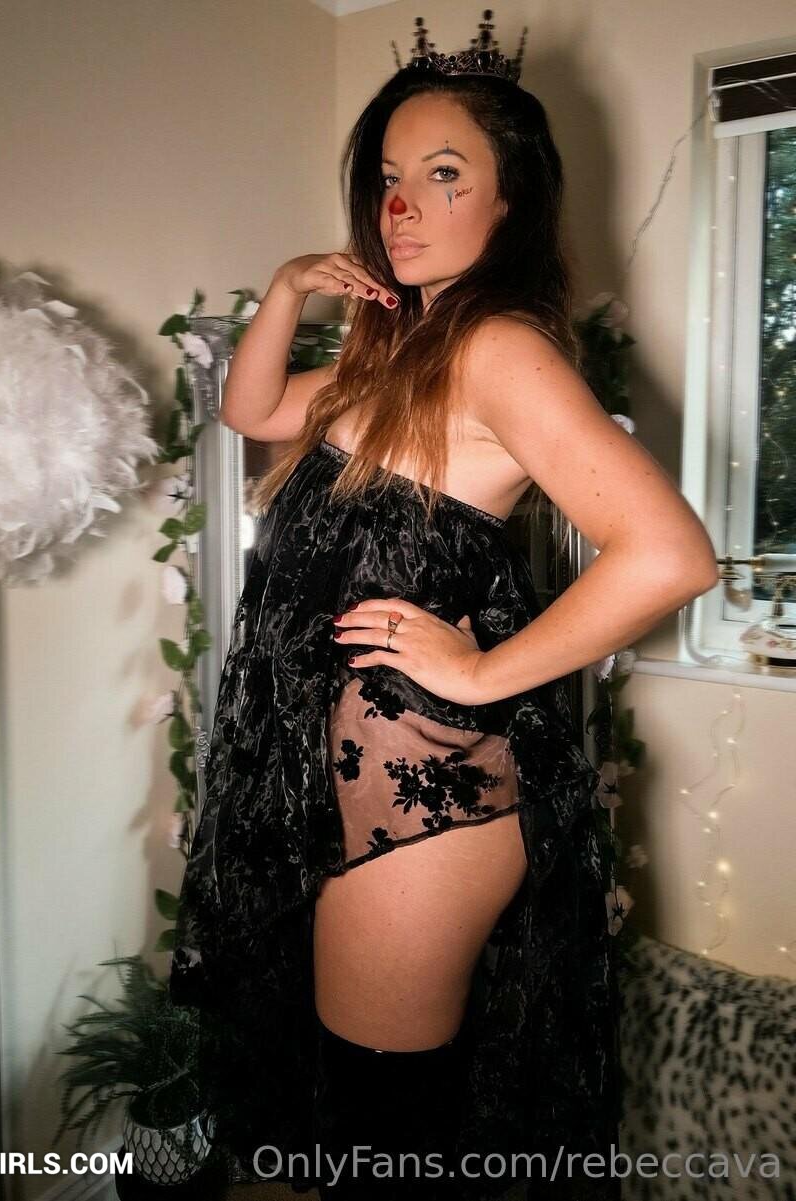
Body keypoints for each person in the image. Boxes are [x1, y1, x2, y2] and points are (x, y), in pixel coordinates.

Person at [169, 13, 719, 1200]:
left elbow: (671, 554)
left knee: (387, 1140)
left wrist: (479, 669)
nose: (402, 206)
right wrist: (289, 287)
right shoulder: (393, 361)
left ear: (510, 202)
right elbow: (252, 411)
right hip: (352, 794)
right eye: (389, 178)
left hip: (422, 809)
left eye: (445, 174)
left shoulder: (498, 350)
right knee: (373, 1122)